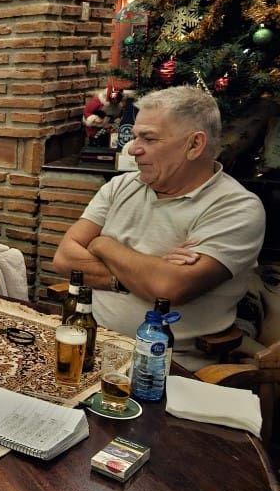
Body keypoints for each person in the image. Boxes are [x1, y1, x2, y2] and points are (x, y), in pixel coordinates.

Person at [52, 86, 266, 361]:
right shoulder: (121, 186)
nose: (133, 148)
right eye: (135, 136)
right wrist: (141, 275)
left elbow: (168, 287)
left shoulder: (235, 208)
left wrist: (102, 244)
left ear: (194, 145)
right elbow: (64, 259)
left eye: (149, 139)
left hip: (165, 364)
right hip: (89, 345)